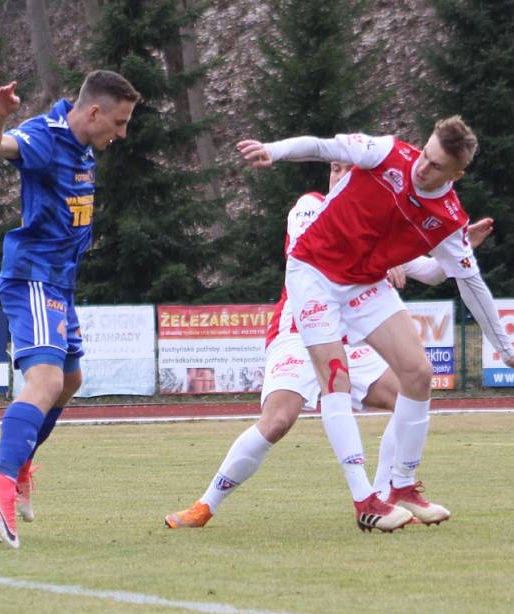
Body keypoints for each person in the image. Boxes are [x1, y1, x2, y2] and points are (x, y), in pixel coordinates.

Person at [236, 118, 514, 532]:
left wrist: (507, 352)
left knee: (418, 372)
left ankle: (402, 485)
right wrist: (276, 149)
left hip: (361, 280)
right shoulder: (388, 153)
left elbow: (471, 285)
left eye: (436, 166)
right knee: (336, 379)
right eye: (426, 154)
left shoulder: (448, 218)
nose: (422, 167)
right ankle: (365, 499)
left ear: (456, 174)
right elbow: (324, 146)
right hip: (313, 272)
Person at [165, 160, 493, 531]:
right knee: (277, 421)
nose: (339, 177)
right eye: (335, 168)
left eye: (348, 171)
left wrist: (461, 246)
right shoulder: (310, 206)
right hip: (300, 332)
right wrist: (378, 262)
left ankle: (384, 497)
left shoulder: (379, 226)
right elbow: (316, 253)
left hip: (348, 340)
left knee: (408, 395)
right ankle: (204, 506)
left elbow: (433, 272)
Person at [0, 71, 140, 549]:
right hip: (33, 276)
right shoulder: (46, 137)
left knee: (69, 381)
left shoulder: (85, 144)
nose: (122, 133)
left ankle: (19, 466)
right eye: (120, 121)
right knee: (44, 381)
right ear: (93, 112)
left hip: (60, 282)